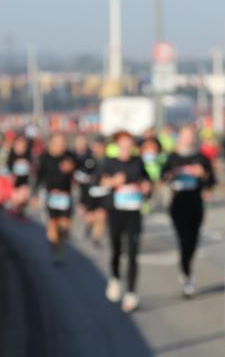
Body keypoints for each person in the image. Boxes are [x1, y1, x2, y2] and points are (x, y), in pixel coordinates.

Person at [99, 131, 154, 313]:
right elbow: (97, 182)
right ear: (117, 145)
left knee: (132, 253)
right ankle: (115, 277)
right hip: (116, 212)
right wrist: (113, 182)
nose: (126, 147)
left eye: (129, 144)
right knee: (116, 248)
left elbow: (147, 180)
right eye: (123, 144)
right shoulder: (109, 163)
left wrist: (146, 187)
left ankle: (131, 293)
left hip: (134, 212)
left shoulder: (138, 162)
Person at [162, 125, 216, 297]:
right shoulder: (172, 157)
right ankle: (186, 274)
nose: (188, 139)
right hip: (177, 203)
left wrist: (202, 175)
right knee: (183, 239)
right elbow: (163, 177)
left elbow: (211, 181)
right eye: (185, 135)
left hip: (195, 202)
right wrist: (172, 174)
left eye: (190, 136)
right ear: (179, 137)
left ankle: (187, 267)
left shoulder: (201, 157)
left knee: (193, 241)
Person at [32, 134, 78, 265]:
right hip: (50, 196)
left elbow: (81, 170)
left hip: (66, 196)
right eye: (57, 143)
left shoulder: (70, 156)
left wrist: (72, 168)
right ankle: (56, 252)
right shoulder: (44, 157)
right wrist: (34, 195)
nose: (60, 146)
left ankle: (61, 243)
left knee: (64, 225)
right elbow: (39, 177)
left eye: (62, 144)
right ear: (51, 144)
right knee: (52, 224)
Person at [74, 135, 107, 248]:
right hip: (88, 193)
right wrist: (89, 179)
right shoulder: (87, 159)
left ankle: (96, 238)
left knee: (101, 216)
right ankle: (87, 228)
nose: (97, 149)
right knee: (90, 217)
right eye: (95, 146)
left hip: (103, 193)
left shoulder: (108, 160)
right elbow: (79, 175)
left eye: (100, 146)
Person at [6, 134, 34, 218]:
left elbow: (33, 166)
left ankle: (20, 212)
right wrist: (10, 174)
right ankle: (14, 209)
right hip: (14, 180)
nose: (21, 147)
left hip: (25, 180)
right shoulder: (12, 153)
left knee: (23, 198)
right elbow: (8, 165)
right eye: (19, 144)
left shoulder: (29, 154)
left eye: (23, 145)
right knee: (15, 198)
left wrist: (31, 167)